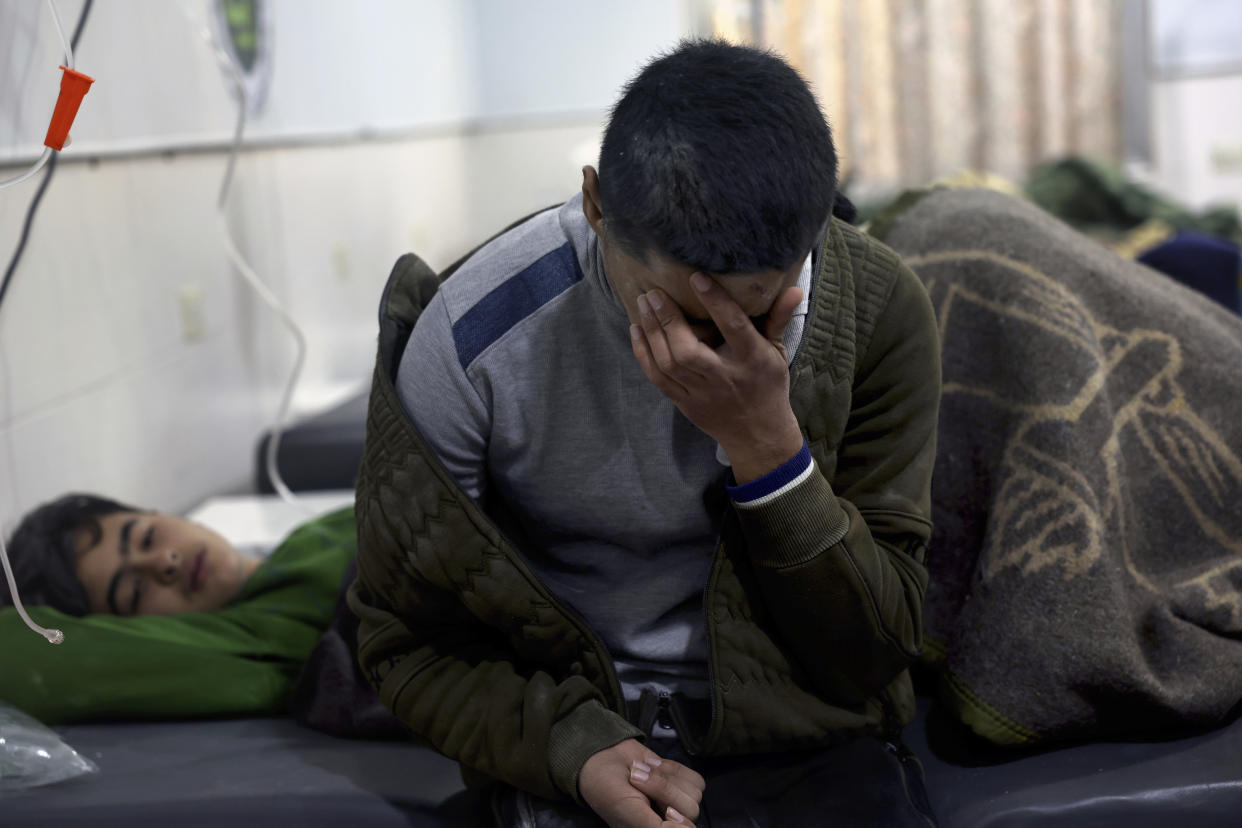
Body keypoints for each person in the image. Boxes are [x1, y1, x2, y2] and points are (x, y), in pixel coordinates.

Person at [348, 39, 940, 827]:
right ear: (596, 205)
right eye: (686, 312)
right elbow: (406, 641)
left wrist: (769, 452)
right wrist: (576, 749)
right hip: (578, 729)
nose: (724, 344)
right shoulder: (469, 342)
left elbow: (876, 650)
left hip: (807, 736)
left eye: (763, 306)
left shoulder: (875, 307)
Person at [0, 493, 355, 724]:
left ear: (158, 512)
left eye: (147, 537)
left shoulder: (315, 534)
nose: (164, 562)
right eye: (135, 591)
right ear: (136, 631)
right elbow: (25, 652)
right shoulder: (252, 642)